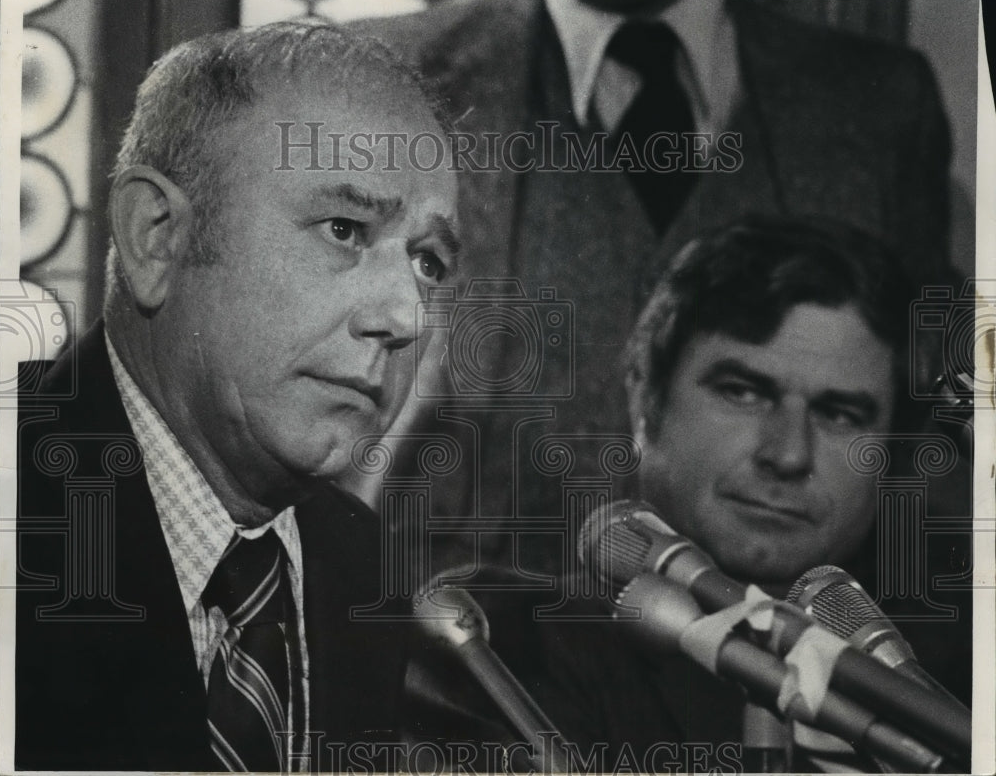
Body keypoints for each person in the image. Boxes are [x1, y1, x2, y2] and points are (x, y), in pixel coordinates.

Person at [353, 0, 955, 577]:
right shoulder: (386, 68)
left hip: (774, 661)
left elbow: (927, 420)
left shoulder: (881, 101)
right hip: (441, 636)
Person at [15, 22, 460, 771]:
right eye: (345, 228)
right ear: (157, 236)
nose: (404, 317)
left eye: (427, 262)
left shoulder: (362, 566)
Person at [402, 216, 972, 772]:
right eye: (743, 392)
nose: (788, 453)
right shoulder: (502, 639)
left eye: (840, 413)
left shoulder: (963, 673)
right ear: (644, 394)